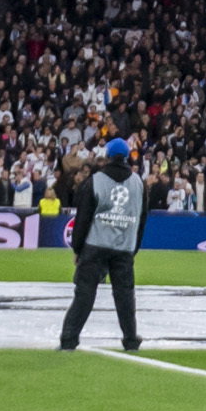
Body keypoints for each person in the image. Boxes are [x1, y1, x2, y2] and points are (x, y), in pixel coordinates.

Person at [58, 134, 147, 352]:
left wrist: (78, 249)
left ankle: (69, 339)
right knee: (125, 295)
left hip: (95, 245)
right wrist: (133, 248)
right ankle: (130, 338)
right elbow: (141, 219)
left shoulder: (95, 181)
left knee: (85, 294)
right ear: (127, 157)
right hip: (124, 247)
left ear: (106, 156)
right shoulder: (139, 184)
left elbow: (83, 220)